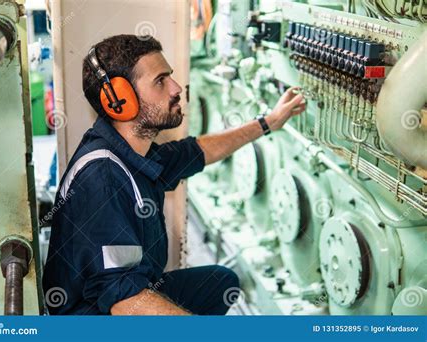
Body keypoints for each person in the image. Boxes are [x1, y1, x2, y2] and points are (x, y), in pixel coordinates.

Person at [42, 34, 305, 315]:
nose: (176, 88)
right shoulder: (103, 177)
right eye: (160, 81)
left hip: (130, 290)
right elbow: (123, 301)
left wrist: (268, 122)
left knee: (220, 282)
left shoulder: (134, 154)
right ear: (120, 100)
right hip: (94, 315)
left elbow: (197, 151)